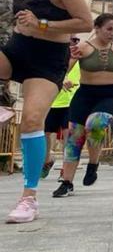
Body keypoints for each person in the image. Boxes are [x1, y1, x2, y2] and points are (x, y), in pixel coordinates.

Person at [3, 0, 93, 223]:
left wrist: (41, 24)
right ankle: (3, 102)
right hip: (17, 49)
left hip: (47, 60)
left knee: (31, 119)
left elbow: (84, 22)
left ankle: (29, 199)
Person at [53, 14, 113, 197]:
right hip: (84, 96)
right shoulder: (83, 48)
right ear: (97, 27)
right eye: (109, 29)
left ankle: (93, 165)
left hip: (111, 95)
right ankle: (67, 182)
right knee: (74, 139)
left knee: (94, 124)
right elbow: (65, 69)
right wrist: (65, 74)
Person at [41, 47, 80, 179]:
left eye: (75, 41)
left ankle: (65, 168)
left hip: (70, 102)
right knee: (45, 133)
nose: (72, 44)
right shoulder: (52, 57)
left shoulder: (79, 61)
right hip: (51, 101)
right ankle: (47, 161)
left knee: (67, 134)